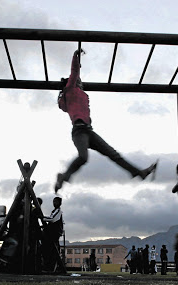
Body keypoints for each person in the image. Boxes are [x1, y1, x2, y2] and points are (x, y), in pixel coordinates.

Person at [55, 49, 158, 192]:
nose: (80, 81)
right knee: (83, 157)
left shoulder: (83, 96)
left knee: (113, 154)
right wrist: (76, 56)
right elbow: (74, 73)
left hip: (89, 131)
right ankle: (64, 177)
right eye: (79, 81)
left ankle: (139, 173)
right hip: (79, 131)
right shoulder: (70, 91)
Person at [42, 197, 64, 272]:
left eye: (56, 202)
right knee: (49, 249)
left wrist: (42, 218)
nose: (54, 203)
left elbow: (53, 219)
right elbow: (51, 218)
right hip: (52, 233)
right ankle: (48, 266)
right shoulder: (54, 211)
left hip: (55, 233)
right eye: (54, 201)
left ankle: (52, 267)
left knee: (53, 250)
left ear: (60, 203)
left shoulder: (59, 211)